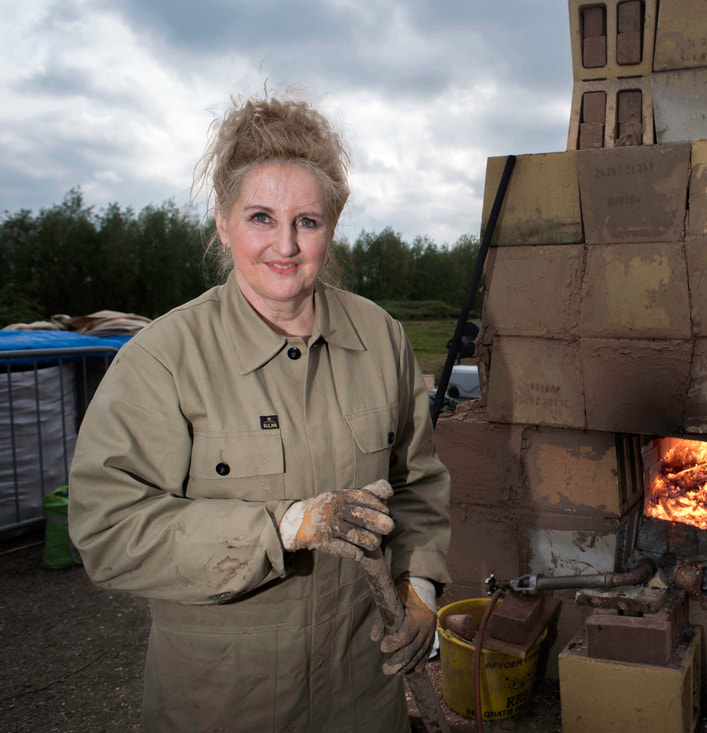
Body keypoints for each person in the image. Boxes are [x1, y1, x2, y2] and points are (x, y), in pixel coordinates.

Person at [68, 95, 451, 732]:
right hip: (225, 699)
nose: (285, 245)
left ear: (332, 225)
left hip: (360, 693)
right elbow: (108, 531)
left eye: (307, 221)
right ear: (223, 224)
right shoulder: (163, 360)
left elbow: (418, 484)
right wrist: (283, 526)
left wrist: (421, 586)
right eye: (261, 218)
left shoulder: (381, 338)